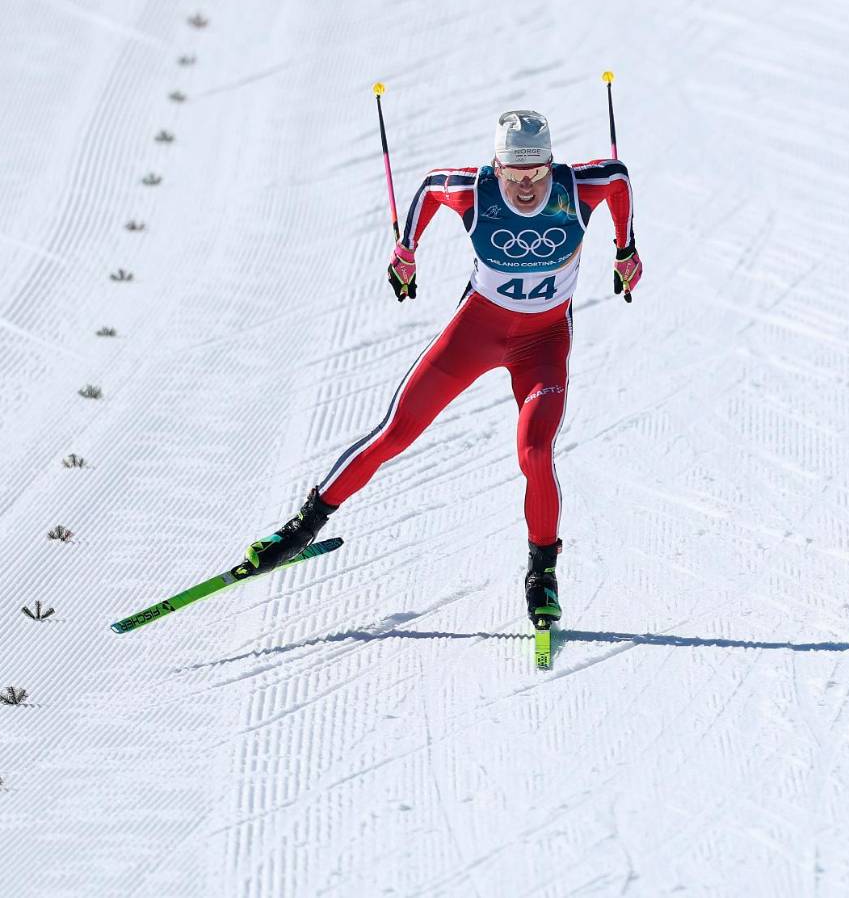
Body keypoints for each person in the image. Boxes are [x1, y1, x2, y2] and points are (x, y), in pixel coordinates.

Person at [242, 109, 641, 624]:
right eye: (513, 176)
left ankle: (542, 572)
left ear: (551, 164)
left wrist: (625, 250)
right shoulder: (475, 191)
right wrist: (406, 252)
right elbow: (431, 186)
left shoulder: (576, 188)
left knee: (536, 451)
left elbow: (618, 176)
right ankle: (302, 526)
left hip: (543, 342)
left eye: (537, 174)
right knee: (394, 432)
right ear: (496, 168)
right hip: (476, 334)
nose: (525, 187)